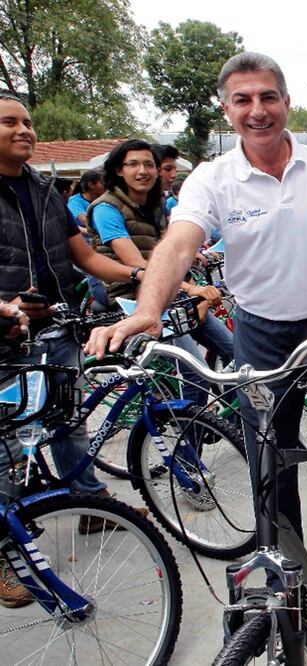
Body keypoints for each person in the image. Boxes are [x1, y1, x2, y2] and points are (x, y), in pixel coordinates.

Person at [84, 53, 307, 582]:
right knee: (268, 452)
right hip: (260, 335)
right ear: (226, 109)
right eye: (243, 100)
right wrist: (150, 309)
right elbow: (180, 244)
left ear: (286, 102)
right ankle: (285, 556)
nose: (258, 110)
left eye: (268, 97)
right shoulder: (213, 178)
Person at [0, 89, 150, 608]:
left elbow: (83, 255)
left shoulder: (44, 190)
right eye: (9, 123)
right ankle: (7, 552)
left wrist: (139, 273)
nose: (23, 130)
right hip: (6, 336)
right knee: (8, 448)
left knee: (67, 420)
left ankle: (87, 501)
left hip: (58, 323)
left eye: (27, 122)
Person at [85, 138, 234, 406]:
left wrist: (192, 282)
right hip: (133, 299)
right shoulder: (106, 209)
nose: (143, 171)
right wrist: (192, 289)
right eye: (133, 164)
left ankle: (237, 426)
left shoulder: (155, 206)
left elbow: (172, 255)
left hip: (171, 295)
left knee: (235, 353)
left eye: (149, 164)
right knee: (194, 373)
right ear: (119, 170)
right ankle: (189, 444)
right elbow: (137, 263)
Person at [67, 168, 105, 235]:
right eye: (103, 183)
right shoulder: (75, 201)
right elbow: (85, 221)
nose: (108, 186)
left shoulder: (105, 198)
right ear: (91, 185)